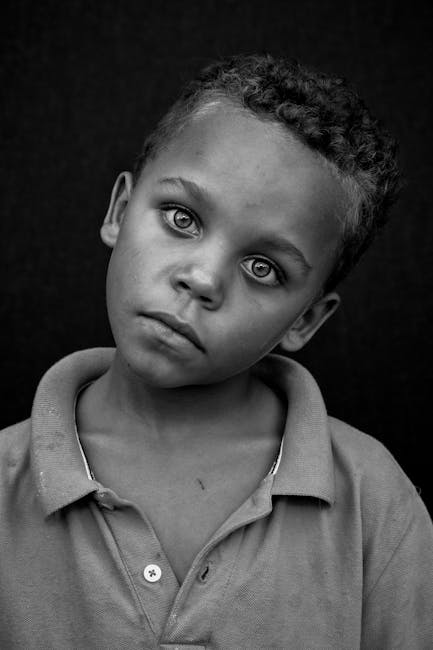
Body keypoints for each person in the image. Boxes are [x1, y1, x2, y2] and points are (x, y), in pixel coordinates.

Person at [0, 54, 431, 650]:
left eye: (263, 267)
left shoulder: (373, 500)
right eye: (182, 218)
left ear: (305, 317)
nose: (202, 279)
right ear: (120, 213)